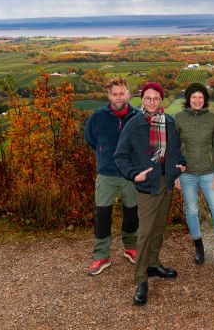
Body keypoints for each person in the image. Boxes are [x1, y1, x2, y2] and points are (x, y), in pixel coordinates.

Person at [114, 81, 186, 306]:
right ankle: (141, 279)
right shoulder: (134, 125)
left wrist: (180, 166)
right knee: (145, 232)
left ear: (161, 100)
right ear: (142, 100)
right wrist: (134, 175)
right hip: (147, 185)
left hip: (166, 183)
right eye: (147, 98)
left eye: (156, 98)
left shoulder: (169, 121)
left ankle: (153, 264)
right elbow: (120, 156)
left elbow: (175, 150)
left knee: (158, 227)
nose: (152, 102)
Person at [84, 76, 139, 276]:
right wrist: (104, 153)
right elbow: (90, 139)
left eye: (121, 93)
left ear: (128, 94)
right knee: (102, 214)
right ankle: (101, 256)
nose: (118, 97)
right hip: (106, 173)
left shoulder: (137, 116)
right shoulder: (97, 117)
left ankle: (131, 248)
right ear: (109, 95)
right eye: (114, 94)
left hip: (130, 174)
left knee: (132, 211)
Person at [174, 82, 214, 270]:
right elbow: (174, 148)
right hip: (186, 174)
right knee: (191, 211)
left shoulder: (212, 119)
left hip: (209, 174)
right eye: (193, 97)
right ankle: (199, 247)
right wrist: (176, 173)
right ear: (188, 99)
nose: (197, 100)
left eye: (200, 97)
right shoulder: (179, 118)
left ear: (204, 100)